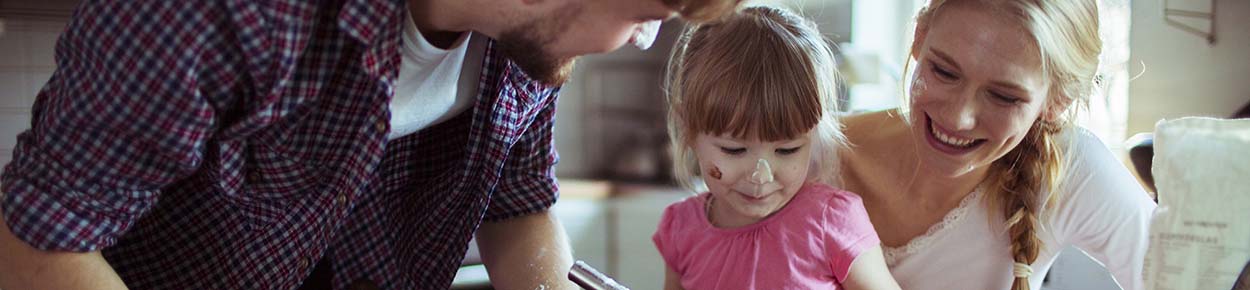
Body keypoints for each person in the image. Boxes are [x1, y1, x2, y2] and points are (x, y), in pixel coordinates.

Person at [0, 0, 744, 289]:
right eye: (649, 8)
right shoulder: (225, 15)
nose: (646, 37)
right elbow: (37, 244)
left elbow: (519, 209)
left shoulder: (524, 52)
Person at [833, 0, 1156, 289]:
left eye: (1004, 97)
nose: (959, 118)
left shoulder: (1069, 169)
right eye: (944, 71)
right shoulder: (807, 155)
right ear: (918, 38)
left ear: (1057, 101)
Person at [652, 6, 902, 290]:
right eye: (734, 150)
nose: (761, 176)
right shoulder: (681, 228)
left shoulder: (830, 220)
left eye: (787, 150)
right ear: (688, 127)